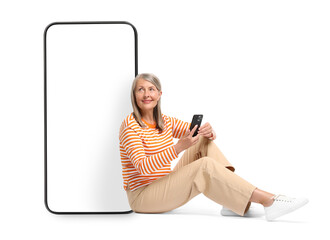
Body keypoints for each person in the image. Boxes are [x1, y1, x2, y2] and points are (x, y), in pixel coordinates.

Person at [119, 73, 308, 221]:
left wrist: (208, 131)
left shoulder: (164, 121)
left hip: (164, 183)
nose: (146, 94)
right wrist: (178, 148)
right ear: (134, 95)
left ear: (159, 95)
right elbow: (142, 167)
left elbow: (194, 132)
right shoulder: (130, 126)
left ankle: (231, 202)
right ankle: (269, 200)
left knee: (201, 140)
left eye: (151, 89)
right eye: (140, 90)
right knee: (204, 166)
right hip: (143, 197)